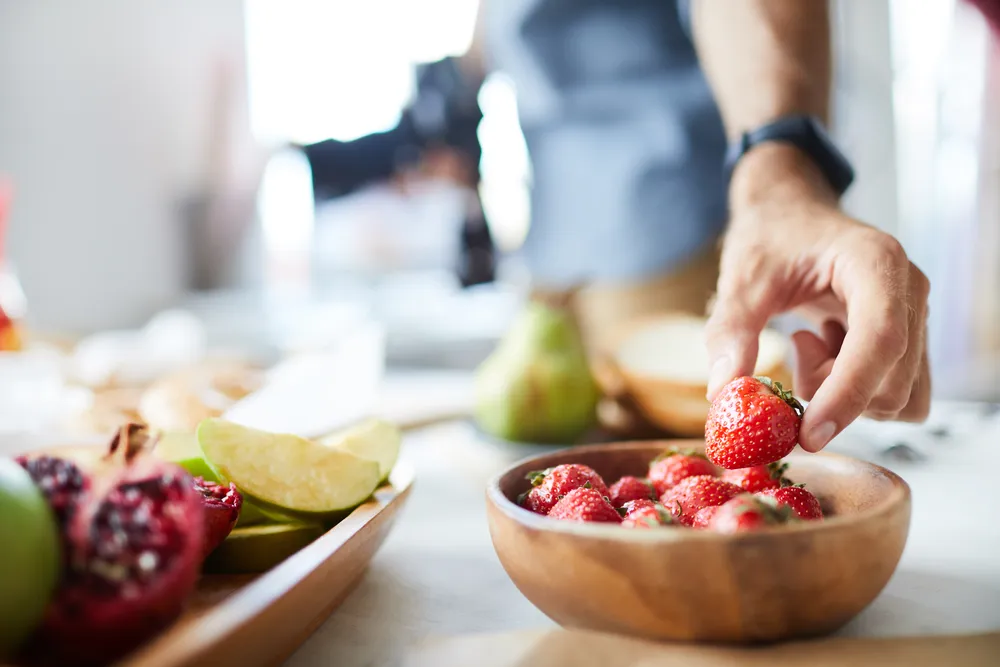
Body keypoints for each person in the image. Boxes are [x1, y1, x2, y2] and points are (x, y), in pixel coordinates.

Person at [306, 1, 934, 452]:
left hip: (663, 234)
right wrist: (447, 101)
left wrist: (781, 171)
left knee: (680, 487)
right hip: (553, 239)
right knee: (575, 472)